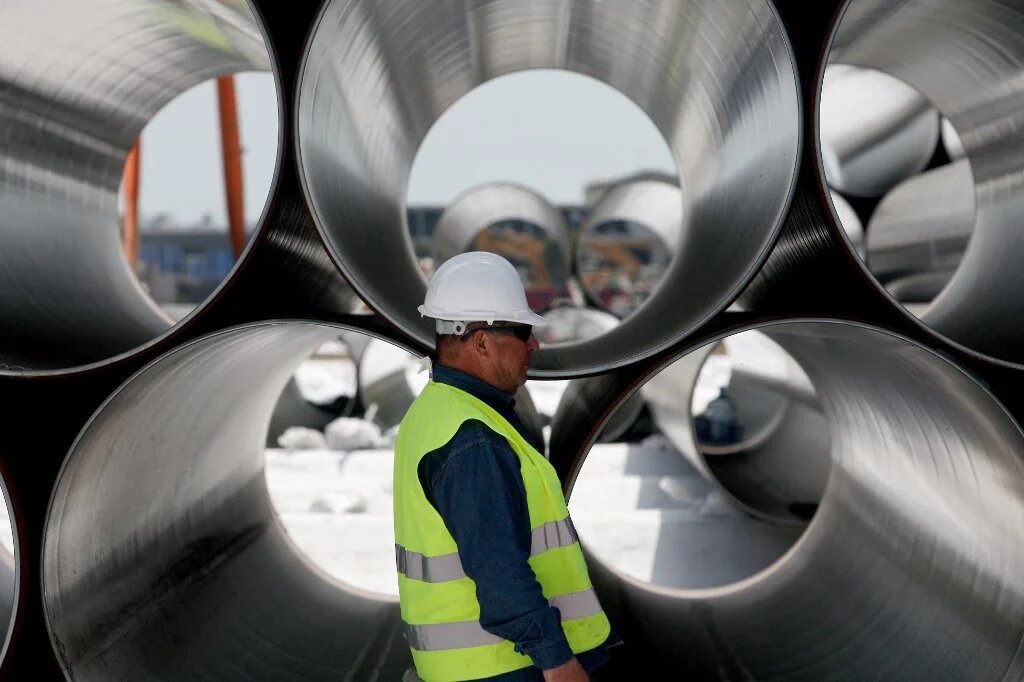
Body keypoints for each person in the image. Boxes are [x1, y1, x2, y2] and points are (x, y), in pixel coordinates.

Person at [394, 252, 615, 681]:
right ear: (481, 342)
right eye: (523, 331)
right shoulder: (471, 439)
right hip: (508, 668)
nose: (535, 345)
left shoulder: (438, 411)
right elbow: (499, 572)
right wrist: (556, 660)